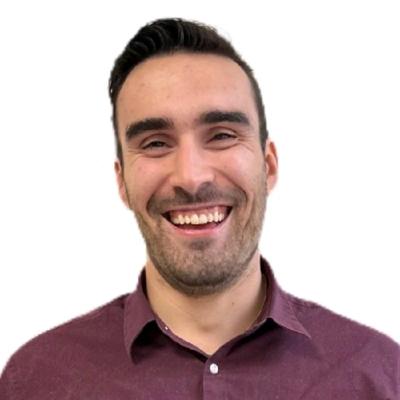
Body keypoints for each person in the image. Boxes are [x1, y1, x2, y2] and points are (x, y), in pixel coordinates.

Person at [0, 17, 398, 399]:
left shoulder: (380, 376)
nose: (191, 177)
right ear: (122, 182)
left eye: (222, 135)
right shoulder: (36, 381)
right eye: (156, 143)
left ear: (269, 165)